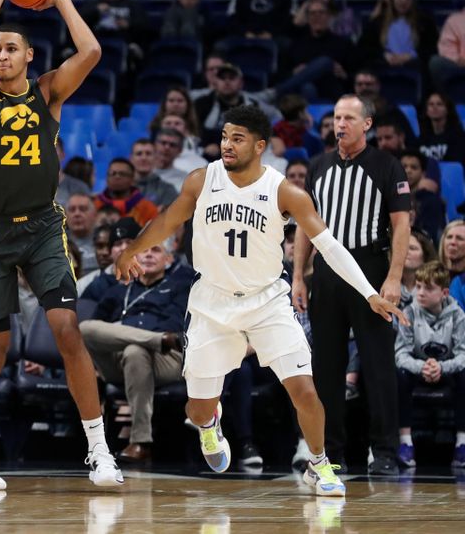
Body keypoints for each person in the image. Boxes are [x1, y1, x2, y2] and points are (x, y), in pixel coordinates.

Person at [116, 104, 406, 496]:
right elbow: (168, 222)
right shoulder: (202, 180)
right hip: (212, 304)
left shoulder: (285, 190)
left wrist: (369, 292)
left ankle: (320, 464)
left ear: (259, 146)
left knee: (305, 389)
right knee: (197, 408)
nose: (227, 145)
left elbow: (330, 245)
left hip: (267, 302)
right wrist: (132, 249)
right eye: (224, 137)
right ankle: (210, 423)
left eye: (237, 139)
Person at [0, 0, 124, 490]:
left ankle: (98, 451)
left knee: (68, 330)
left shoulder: (48, 91)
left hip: (45, 226)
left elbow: (91, 50)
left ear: (28, 55)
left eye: (10, 48)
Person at [292, 94, 412, 476]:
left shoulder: (386, 165)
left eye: (348, 118)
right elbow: (305, 227)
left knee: (378, 365)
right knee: (326, 366)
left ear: (367, 124)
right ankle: (329, 452)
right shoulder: (317, 166)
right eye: (336, 117)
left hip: (371, 269)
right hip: (327, 271)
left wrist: (393, 277)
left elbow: (402, 225)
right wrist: (298, 275)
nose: (339, 124)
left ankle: (386, 451)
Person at [80, 240, 187, 463]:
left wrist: (133, 337)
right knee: (85, 328)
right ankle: (158, 340)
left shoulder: (178, 287)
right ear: (134, 260)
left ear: (168, 260)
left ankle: (140, 442)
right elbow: (98, 327)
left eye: (155, 250)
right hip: (123, 358)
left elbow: (177, 325)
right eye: (143, 252)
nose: (148, 255)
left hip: (166, 359)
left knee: (135, 351)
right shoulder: (120, 289)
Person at [395, 261, 465, 469]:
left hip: (447, 371)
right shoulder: (408, 313)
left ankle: (462, 442)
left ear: (444, 292)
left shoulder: (458, 315)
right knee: (399, 374)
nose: (421, 292)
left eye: (428, 288)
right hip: (418, 371)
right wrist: (422, 367)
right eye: (418, 286)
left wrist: (442, 367)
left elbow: (463, 354)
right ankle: (405, 442)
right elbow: (400, 353)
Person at [93, 158, 158, 227]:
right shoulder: (94, 206)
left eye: (122, 174)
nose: (117, 176)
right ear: (107, 178)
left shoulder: (147, 208)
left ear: (132, 179)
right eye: (113, 173)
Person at [130, 139, 178, 208]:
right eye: (139, 154)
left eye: (148, 154)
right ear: (131, 158)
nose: (144, 158)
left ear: (155, 158)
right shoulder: (120, 188)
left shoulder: (167, 190)